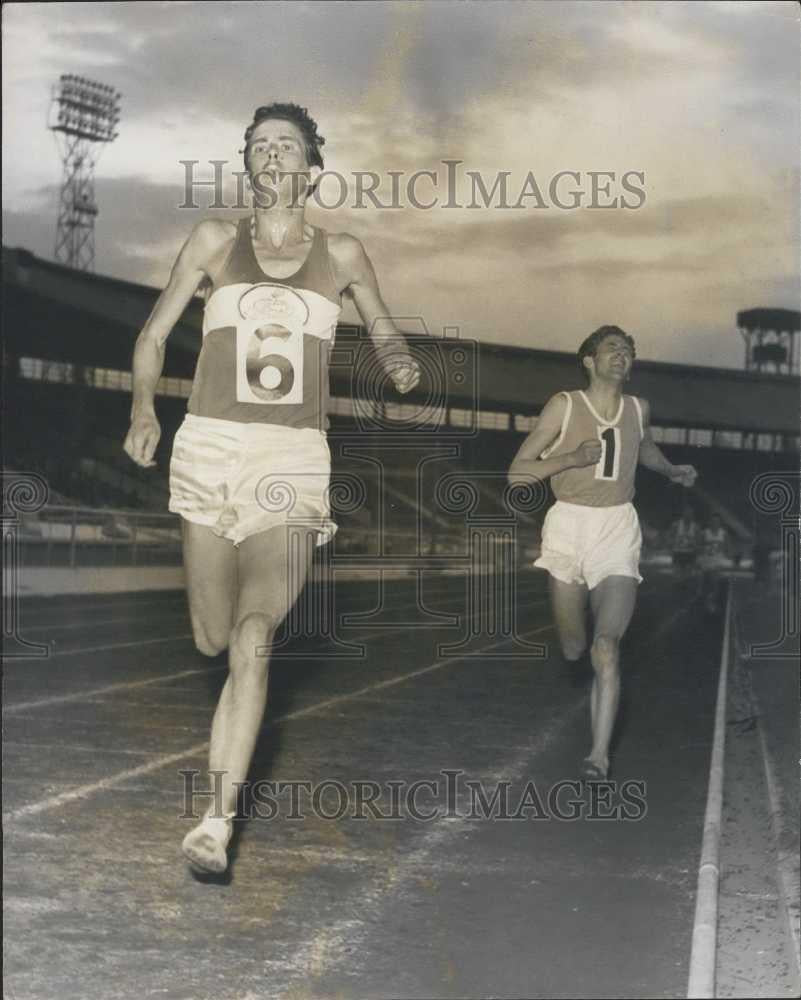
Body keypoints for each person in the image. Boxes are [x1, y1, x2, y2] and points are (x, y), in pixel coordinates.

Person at [123, 103, 420, 873]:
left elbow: (382, 325)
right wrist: (142, 408)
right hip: (210, 443)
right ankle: (221, 781)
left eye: (287, 144)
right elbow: (154, 332)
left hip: (290, 457)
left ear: (311, 169)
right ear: (249, 167)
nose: (273, 154)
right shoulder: (215, 240)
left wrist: (400, 362)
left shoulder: (345, 252)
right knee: (212, 638)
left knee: (255, 637)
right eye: (260, 145)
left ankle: (215, 825)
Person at [508, 326, 697, 780]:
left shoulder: (638, 408)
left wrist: (671, 470)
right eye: (612, 349)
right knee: (575, 649)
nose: (622, 356)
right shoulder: (565, 405)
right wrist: (569, 459)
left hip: (617, 527)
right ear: (588, 360)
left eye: (629, 351)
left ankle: (598, 754)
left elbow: (643, 445)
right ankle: (577, 652)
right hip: (569, 525)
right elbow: (518, 474)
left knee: (606, 646)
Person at [698, 513, 731, 614]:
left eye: (717, 521)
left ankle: (711, 603)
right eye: (713, 521)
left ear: (720, 523)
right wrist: (703, 550)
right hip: (706, 561)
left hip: (717, 562)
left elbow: (728, 547)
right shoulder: (704, 533)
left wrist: (725, 551)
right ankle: (706, 602)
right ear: (710, 522)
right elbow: (698, 545)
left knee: (714, 583)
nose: (714, 523)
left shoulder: (723, 534)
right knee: (706, 584)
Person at [669, 505, 701, 592]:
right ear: (683, 514)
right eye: (686, 513)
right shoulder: (676, 525)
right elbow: (670, 537)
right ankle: (676, 590)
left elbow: (699, 541)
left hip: (690, 553)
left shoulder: (696, 527)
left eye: (690, 514)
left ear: (692, 515)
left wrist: (695, 546)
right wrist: (672, 546)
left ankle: (686, 591)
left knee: (688, 575)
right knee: (678, 575)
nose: (688, 515)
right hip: (678, 552)